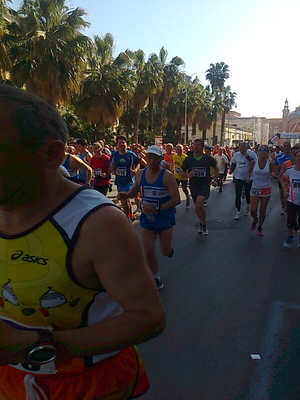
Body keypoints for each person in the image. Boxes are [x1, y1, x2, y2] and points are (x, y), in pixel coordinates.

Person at [0, 84, 165, 399]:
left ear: (52, 154)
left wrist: (38, 346)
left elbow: (148, 318)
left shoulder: (99, 225)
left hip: (86, 383)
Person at [118, 145, 180, 290]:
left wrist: (157, 208)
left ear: (160, 158)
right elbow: (135, 190)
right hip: (147, 217)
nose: (151, 160)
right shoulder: (140, 174)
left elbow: (176, 199)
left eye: (155, 157)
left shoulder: (167, 176)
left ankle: (169, 249)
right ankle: (156, 277)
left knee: (164, 251)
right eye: (149, 157)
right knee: (148, 250)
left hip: (164, 216)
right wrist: (126, 195)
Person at [180, 139, 219, 235]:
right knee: (197, 207)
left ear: (202, 147)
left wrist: (216, 179)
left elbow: (216, 167)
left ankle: (204, 225)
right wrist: (188, 175)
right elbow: (180, 171)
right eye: (194, 145)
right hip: (194, 185)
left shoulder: (208, 158)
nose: (195, 146)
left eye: (198, 145)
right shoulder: (188, 159)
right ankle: (202, 223)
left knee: (199, 204)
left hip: (205, 184)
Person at [246, 145, 277, 236]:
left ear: (268, 152)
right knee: (253, 210)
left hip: (266, 188)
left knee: (262, 210)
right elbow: (249, 171)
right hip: (255, 187)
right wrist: (248, 177)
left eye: (265, 150)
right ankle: (255, 219)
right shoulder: (253, 162)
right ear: (258, 151)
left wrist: (273, 175)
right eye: (261, 150)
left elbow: (275, 174)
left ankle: (260, 227)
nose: (263, 151)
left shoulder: (270, 163)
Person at [109, 135, 140, 219]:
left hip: (129, 180)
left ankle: (127, 218)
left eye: (123, 142)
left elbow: (138, 163)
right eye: (120, 143)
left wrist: (135, 170)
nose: (122, 144)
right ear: (117, 145)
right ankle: (130, 215)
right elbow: (111, 169)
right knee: (124, 201)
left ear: (126, 144)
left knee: (125, 198)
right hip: (119, 181)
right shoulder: (114, 155)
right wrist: (112, 167)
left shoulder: (131, 154)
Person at [230, 142, 257, 220]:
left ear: (246, 148)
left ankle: (248, 205)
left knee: (248, 193)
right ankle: (238, 211)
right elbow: (234, 163)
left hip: (249, 178)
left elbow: (255, 163)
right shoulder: (237, 154)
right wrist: (231, 170)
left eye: (243, 149)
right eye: (240, 149)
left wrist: (247, 157)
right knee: (237, 195)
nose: (242, 151)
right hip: (238, 177)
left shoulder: (251, 153)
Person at [281, 149, 300, 248]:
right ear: (295, 158)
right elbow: (283, 179)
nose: (299, 159)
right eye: (297, 157)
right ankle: (290, 236)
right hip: (292, 200)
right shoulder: (290, 171)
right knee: (290, 220)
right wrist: (285, 190)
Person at [274, 141, 292, 215]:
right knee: (282, 193)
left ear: (290, 147)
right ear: (283, 147)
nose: (287, 147)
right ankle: (283, 207)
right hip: (282, 178)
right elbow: (274, 167)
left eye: (288, 146)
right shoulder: (279, 157)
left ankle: (290, 207)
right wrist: (276, 174)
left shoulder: (294, 156)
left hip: (291, 179)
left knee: (291, 193)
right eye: (285, 146)